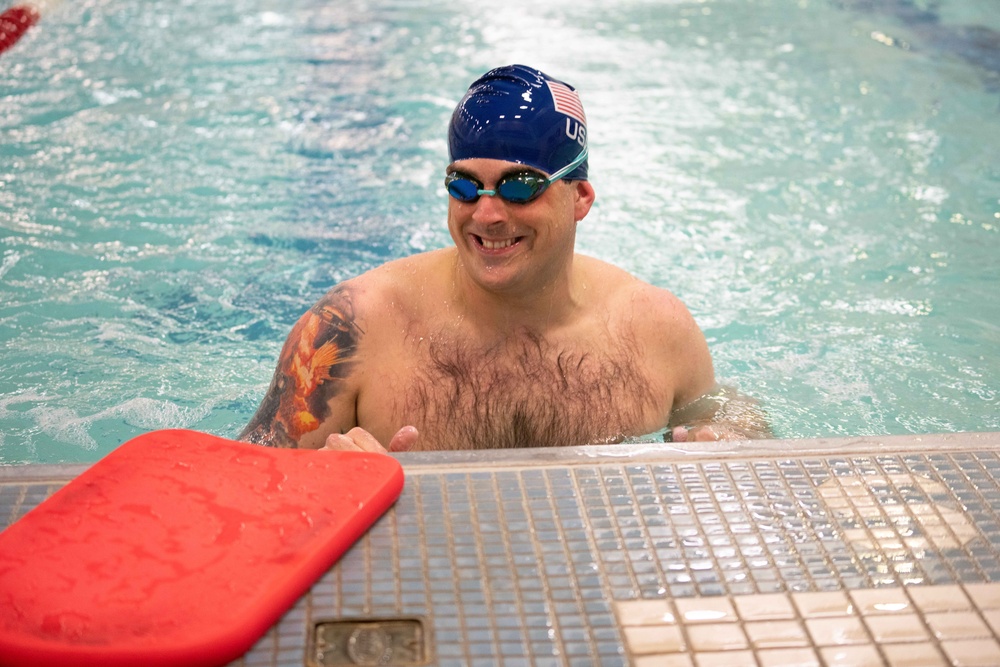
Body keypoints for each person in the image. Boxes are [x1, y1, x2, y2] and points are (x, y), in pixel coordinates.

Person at [239, 64, 770, 453]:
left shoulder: (657, 328)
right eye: (464, 186)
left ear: (580, 197)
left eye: (519, 187)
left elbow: (735, 428)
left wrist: (734, 442)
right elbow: (238, 481)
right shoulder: (349, 329)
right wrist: (318, 482)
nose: (487, 214)